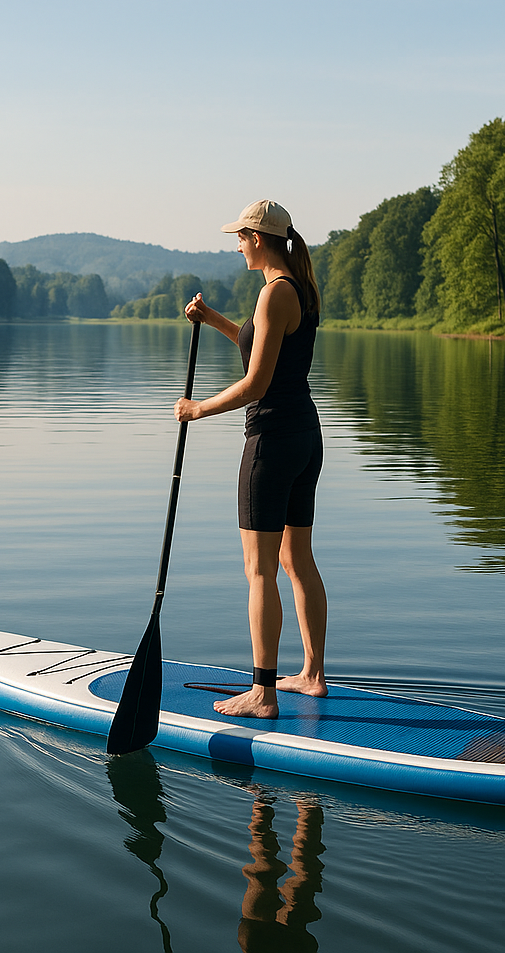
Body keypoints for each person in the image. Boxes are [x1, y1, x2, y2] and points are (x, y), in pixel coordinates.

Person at [177, 199, 328, 719]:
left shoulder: (273, 295)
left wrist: (198, 409)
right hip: (306, 438)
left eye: (240, 237)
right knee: (295, 559)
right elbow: (260, 349)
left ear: (257, 238)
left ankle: (263, 693)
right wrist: (215, 318)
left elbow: (256, 382)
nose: (237, 245)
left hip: (271, 442)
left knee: (259, 569)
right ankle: (311, 674)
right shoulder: (300, 291)